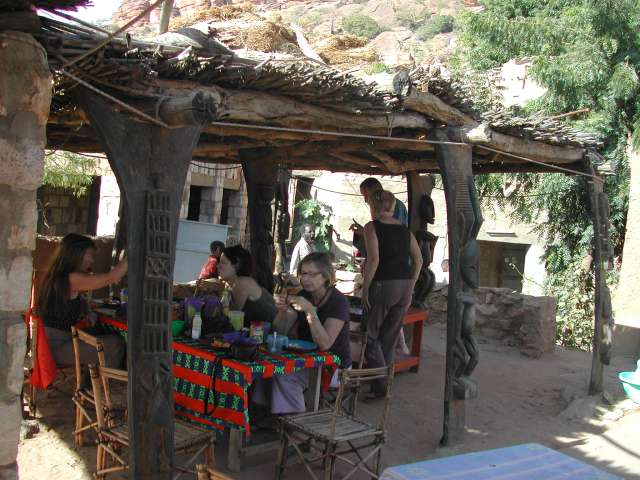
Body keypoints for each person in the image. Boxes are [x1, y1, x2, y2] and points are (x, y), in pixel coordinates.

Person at [255, 252, 351, 413]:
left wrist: (310, 312)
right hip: (306, 359)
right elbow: (279, 331)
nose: (305, 279)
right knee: (265, 366)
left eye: (311, 274)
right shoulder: (303, 295)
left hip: (334, 366)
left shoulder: (338, 302)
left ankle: (295, 422)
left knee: (284, 375)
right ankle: (264, 413)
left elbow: (325, 344)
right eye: (303, 274)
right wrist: (282, 312)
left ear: (326, 276)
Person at [362, 190, 422, 397]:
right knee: (389, 338)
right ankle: (382, 386)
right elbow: (419, 260)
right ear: (393, 206)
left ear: (373, 205)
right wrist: (411, 283)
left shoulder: (372, 227)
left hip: (384, 284)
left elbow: (373, 260)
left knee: (369, 336)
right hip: (405, 286)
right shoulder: (406, 231)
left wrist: (365, 289)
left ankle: (381, 384)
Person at [36, 233, 126, 368]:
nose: (92, 260)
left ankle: (91, 382)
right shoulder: (71, 279)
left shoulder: (59, 276)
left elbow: (70, 304)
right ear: (77, 254)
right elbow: (112, 277)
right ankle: (105, 384)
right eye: (89, 254)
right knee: (115, 343)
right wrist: (132, 253)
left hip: (53, 344)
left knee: (103, 335)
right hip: (55, 349)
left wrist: (88, 312)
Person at [217, 245, 278, 326]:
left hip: (273, 331)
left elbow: (231, 317)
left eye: (223, 263)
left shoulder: (242, 283)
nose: (218, 266)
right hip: (258, 330)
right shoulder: (229, 284)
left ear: (237, 265)